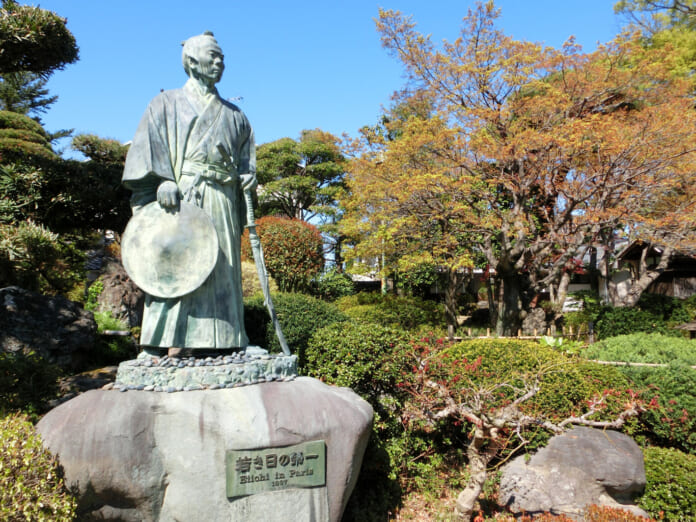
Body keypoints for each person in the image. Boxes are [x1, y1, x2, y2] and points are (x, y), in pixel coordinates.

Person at [122, 31, 256, 353]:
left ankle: (224, 341)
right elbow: (148, 150)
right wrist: (161, 182)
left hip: (222, 200)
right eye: (214, 56)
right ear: (193, 61)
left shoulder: (236, 115)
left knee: (223, 268)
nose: (220, 62)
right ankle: (161, 344)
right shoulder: (164, 103)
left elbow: (245, 161)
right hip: (183, 198)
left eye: (222, 57)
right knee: (176, 263)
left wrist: (247, 178)